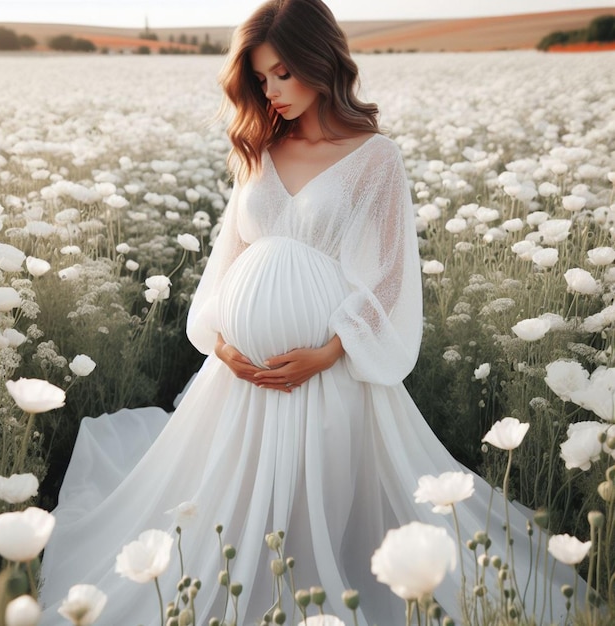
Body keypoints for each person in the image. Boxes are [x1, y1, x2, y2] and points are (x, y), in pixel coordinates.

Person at [39, 1, 578, 624]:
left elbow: (392, 278)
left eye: (283, 74)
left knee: (318, 509)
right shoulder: (259, 147)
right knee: (223, 516)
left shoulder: (375, 157)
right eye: (262, 78)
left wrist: (328, 352)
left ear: (321, 62)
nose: (272, 91)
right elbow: (230, 254)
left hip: (328, 374)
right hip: (239, 378)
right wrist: (221, 340)